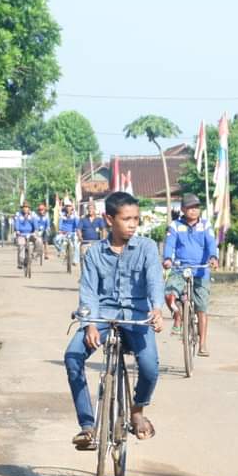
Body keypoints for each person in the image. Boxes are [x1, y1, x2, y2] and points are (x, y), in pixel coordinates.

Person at [64, 191, 165, 449]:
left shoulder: (147, 248)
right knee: (73, 356)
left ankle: (138, 410)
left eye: (136, 219)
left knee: (150, 366)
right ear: (109, 219)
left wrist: (156, 309)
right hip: (102, 315)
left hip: (137, 316)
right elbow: (88, 291)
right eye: (126, 219)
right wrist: (88, 324)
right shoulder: (94, 253)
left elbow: (154, 280)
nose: (133, 224)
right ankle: (88, 426)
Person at [162, 194, 219, 356]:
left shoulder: (206, 225)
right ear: (183, 210)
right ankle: (178, 315)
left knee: (201, 308)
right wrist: (167, 259)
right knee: (169, 293)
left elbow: (210, 243)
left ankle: (202, 344)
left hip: (201, 270)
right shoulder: (175, 226)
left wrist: (213, 257)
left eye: (196, 207)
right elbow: (170, 244)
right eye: (190, 208)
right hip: (179, 269)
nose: (194, 211)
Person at [13, 203, 35, 267]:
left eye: (27, 207)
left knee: (38, 241)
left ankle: (34, 255)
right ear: (22, 208)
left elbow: (35, 224)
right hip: (21, 234)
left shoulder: (32, 216)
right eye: (24, 207)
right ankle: (20, 262)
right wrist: (17, 230)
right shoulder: (19, 215)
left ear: (29, 209)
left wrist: (35, 230)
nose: (25, 209)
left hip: (30, 234)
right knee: (21, 246)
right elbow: (17, 223)